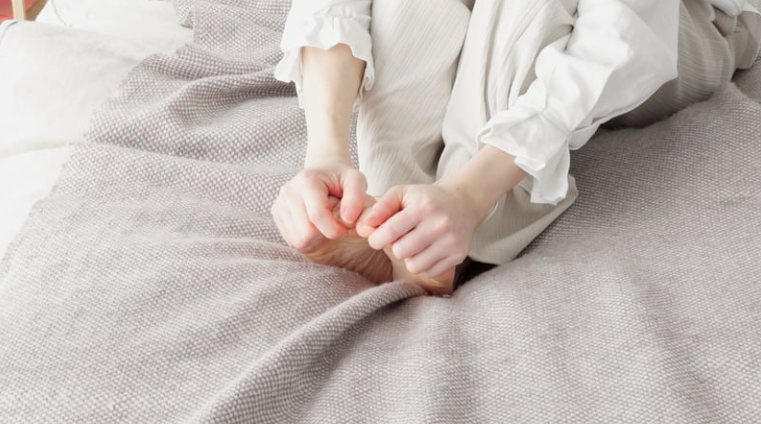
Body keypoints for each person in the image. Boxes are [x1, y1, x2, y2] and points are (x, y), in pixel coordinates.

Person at [271, 0, 761, 296]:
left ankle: (455, 233)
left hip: (684, 22)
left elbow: (619, 37)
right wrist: (326, 152)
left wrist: (467, 195)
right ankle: (390, 214)